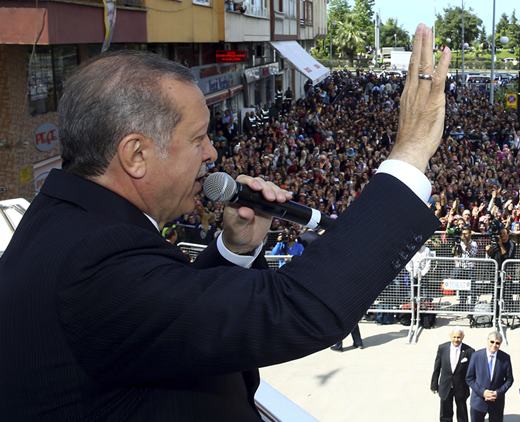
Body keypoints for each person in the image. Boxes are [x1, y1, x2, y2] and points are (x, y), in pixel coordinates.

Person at [0, 24, 453, 420]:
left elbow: (176, 326)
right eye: (197, 139)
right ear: (136, 154)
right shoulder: (92, 262)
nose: (212, 154)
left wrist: (235, 250)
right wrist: (410, 153)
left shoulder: (68, 223)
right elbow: (295, 310)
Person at [466, 331, 514, 422]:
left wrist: (497, 393)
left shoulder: (505, 358)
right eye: (492, 342)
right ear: (487, 341)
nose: (494, 345)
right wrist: (483, 392)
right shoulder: (476, 356)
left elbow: (509, 379)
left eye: (497, 343)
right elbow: (469, 378)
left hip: (496, 402)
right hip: (478, 402)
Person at [431, 329, 475, 422]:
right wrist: (434, 384)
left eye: (458, 337)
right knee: (445, 412)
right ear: (450, 336)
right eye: (454, 337)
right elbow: (437, 367)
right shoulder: (442, 348)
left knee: (462, 412)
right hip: (445, 385)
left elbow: (473, 371)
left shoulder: (469, 351)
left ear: (462, 337)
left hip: (461, 387)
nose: (456, 340)